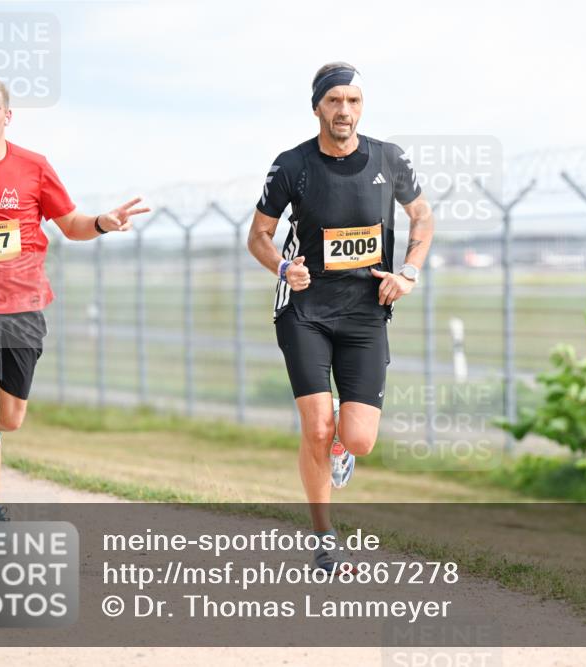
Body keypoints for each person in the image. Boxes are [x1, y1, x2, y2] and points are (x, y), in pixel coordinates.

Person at [0, 76, 149, 521]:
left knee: (9, 416)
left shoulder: (34, 167)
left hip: (22, 304)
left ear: (7, 116)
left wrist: (103, 222)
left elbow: (71, 225)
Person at [247, 62, 434, 571]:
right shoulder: (293, 165)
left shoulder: (389, 158)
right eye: (334, 101)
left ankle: (341, 443)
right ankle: (325, 537)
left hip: (366, 312)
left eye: (352, 100)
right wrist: (283, 267)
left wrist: (409, 272)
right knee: (315, 426)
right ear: (317, 108)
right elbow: (258, 235)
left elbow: (421, 215)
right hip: (304, 309)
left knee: (358, 439)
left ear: (361, 106)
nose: (343, 110)